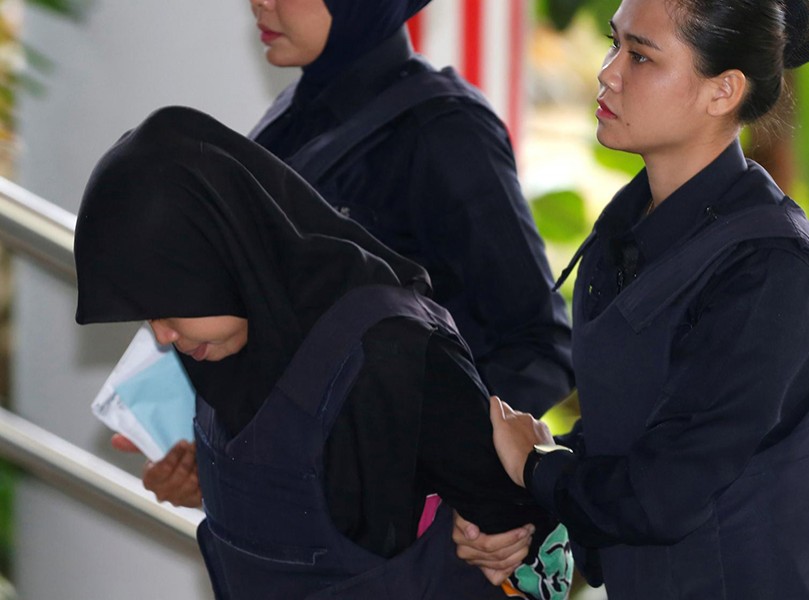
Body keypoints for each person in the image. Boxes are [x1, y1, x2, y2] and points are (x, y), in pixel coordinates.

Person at [74, 106, 572, 599]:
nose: (162, 337)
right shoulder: (221, 352)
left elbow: (515, 526)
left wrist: (502, 531)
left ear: (222, 252)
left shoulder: (392, 350)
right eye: (147, 315)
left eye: (169, 305)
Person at [115, 0, 575, 518]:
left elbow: (541, 344)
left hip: (393, 539)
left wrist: (416, 461)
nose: (259, 3)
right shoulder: (291, 118)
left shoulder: (443, 128)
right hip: (305, 523)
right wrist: (218, 457)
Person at [456, 0, 809, 597]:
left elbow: (662, 493)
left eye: (640, 56)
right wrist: (531, 519)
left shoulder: (772, 269)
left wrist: (536, 467)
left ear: (723, 91)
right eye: (615, 44)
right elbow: (635, 433)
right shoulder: (633, 233)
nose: (607, 72)